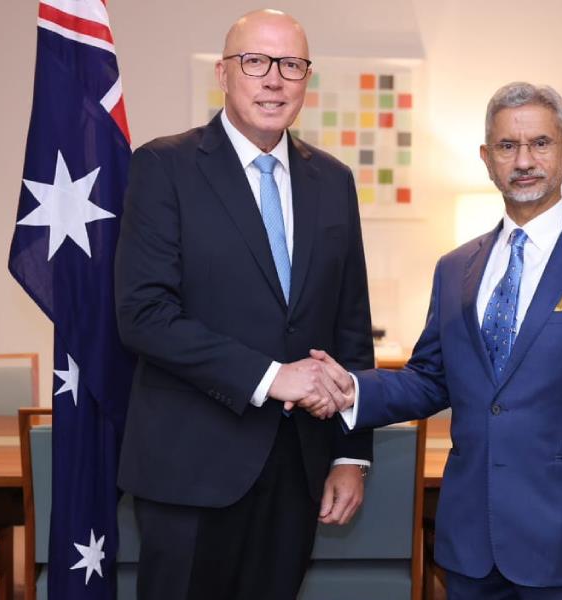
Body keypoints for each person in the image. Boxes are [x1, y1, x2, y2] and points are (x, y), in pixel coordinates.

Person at [318, 82, 562, 600]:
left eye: (540, 144)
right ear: (487, 159)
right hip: (471, 546)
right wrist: (351, 390)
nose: (524, 160)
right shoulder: (456, 268)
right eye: (507, 147)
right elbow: (431, 378)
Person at [112, 9, 373, 600]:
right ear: (224, 74)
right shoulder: (164, 166)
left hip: (298, 469)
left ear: (307, 78)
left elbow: (351, 328)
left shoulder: (332, 181)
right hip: (190, 467)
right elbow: (143, 315)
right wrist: (270, 377)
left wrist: (352, 457)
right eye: (255, 62)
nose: (274, 79)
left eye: (291, 65)